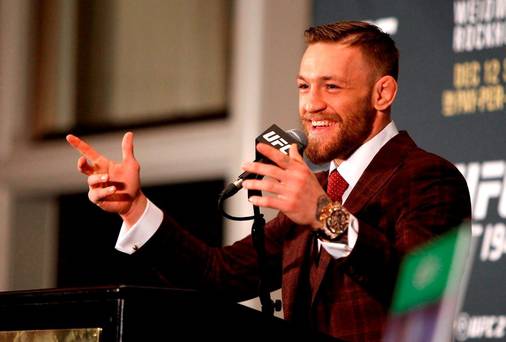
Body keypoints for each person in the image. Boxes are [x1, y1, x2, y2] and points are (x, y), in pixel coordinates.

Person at [67, 21, 471, 341]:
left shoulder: (427, 177)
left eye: (331, 86)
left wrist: (322, 213)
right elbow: (218, 275)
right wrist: (135, 207)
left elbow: (421, 293)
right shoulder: (315, 187)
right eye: (303, 86)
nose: (311, 104)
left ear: (382, 93)